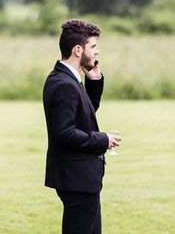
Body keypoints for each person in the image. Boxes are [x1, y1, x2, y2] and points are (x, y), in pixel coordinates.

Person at [43, 19, 121, 234]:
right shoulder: (63, 84)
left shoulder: (69, 79)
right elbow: (64, 133)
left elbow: (83, 114)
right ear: (78, 50)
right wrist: (102, 140)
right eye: (93, 47)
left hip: (81, 178)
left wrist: (94, 82)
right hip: (76, 178)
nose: (97, 52)